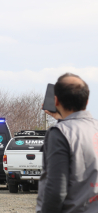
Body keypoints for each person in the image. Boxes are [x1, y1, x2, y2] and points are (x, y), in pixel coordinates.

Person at [37, 73, 98, 213]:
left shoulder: (59, 133)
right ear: (87, 101)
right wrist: (63, 119)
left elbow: (56, 192)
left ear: (56, 101)